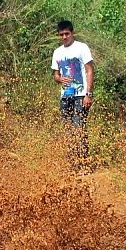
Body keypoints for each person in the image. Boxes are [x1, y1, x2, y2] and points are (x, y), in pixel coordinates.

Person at [51, 20, 94, 173]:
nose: (64, 37)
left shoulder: (81, 48)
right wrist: (59, 79)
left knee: (79, 128)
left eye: (66, 34)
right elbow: (56, 75)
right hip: (65, 96)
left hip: (80, 96)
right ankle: (72, 165)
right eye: (61, 35)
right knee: (68, 130)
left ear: (72, 33)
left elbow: (89, 71)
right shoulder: (57, 52)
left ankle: (84, 165)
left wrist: (88, 94)